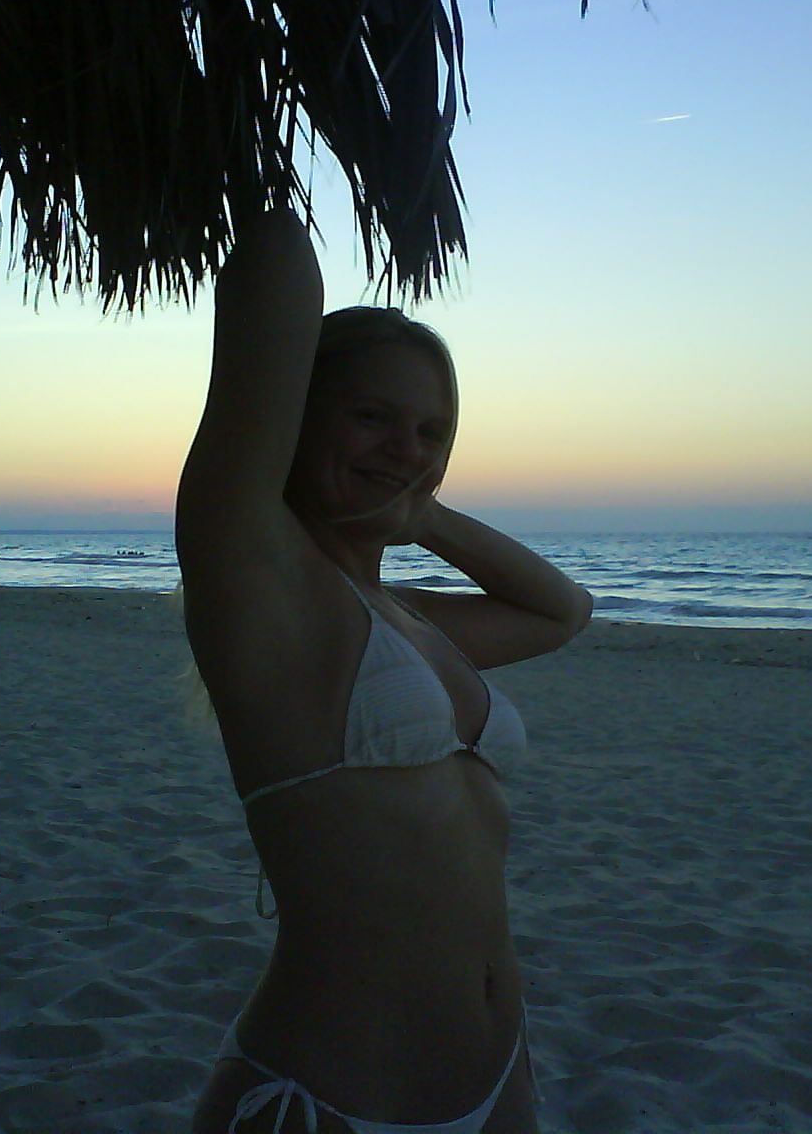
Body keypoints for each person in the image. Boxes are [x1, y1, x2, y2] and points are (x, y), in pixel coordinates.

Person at [178, 210, 591, 1134]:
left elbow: (561, 611)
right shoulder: (264, 594)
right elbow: (275, 263)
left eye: (431, 432)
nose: (407, 448)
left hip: (498, 1080)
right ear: (294, 416)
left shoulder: (404, 618)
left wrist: (420, 507)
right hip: (330, 1095)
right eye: (371, 417)